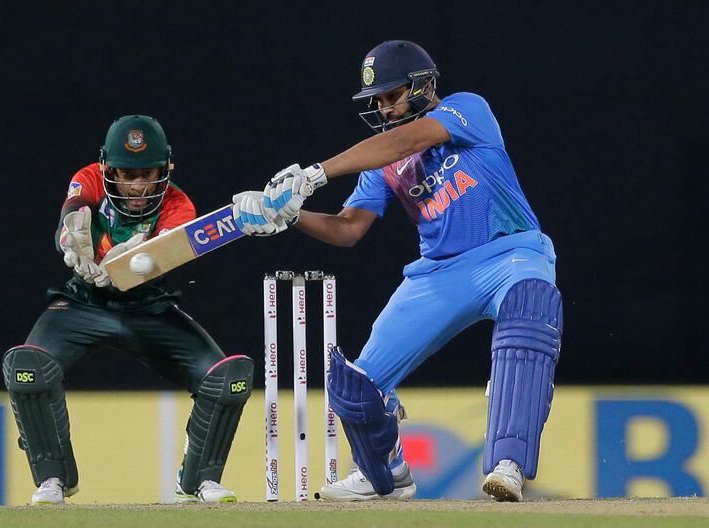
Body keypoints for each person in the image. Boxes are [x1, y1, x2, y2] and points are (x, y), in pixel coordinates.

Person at [233, 40, 563, 502]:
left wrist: (314, 175)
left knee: (530, 315)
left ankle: (507, 463)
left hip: (510, 253)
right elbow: (348, 229)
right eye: (379, 100)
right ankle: (383, 475)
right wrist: (289, 217)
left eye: (394, 95)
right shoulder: (382, 166)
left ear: (425, 84)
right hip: (438, 275)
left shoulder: (467, 109)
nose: (386, 108)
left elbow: (408, 139)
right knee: (355, 386)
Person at [3, 115, 253, 505]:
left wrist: (129, 263)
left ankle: (199, 481)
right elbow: (72, 214)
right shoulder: (87, 177)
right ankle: (53, 479)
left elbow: (161, 257)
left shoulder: (179, 206)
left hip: (147, 308)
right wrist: (71, 237)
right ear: (107, 169)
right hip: (83, 302)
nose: (138, 186)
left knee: (226, 380)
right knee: (28, 368)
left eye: (148, 173)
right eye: (127, 174)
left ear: (166, 169)